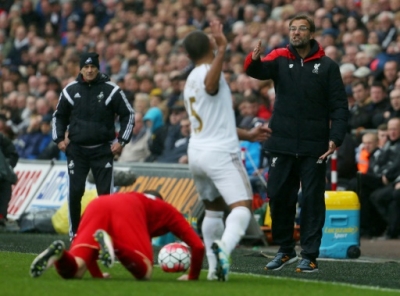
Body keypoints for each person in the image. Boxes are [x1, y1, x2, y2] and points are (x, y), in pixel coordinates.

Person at [244, 14, 349, 272]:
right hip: (282, 142)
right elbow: (256, 71)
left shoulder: (327, 66)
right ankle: (285, 250)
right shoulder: (280, 57)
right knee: (278, 195)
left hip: (315, 145)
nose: (296, 33)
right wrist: (253, 58)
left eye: (302, 29)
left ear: (311, 33)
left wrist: (335, 138)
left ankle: (310, 254)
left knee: (312, 200)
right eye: (293, 28)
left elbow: (339, 107)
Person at [182, 20, 271, 282]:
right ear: (210, 44)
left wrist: (248, 134)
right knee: (242, 207)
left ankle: (213, 270)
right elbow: (211, 87)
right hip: (220, 153)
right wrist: (222, 50)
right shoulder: (210, 72)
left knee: (213, 210)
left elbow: (215, 120)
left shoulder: (189, 79)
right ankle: (225, 247)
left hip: (197, 152)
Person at [30, 190, 205, 280]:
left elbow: (91, 251)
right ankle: (112, 244)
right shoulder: (168, 211)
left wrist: (98, 276)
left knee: (76, 270)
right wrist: (192, 277)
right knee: (145, 272)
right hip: (129, 209)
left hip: (98, 204)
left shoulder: (135, 197)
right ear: (161, 200)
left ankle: (60, 255)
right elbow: (198, 246)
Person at [52, 52, 135, 239]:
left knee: (106, 197)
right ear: (80, 68)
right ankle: (75, 235)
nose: (89, 70)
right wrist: (58, 139)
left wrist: (121, 141)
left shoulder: (111, 90)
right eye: (86, 67)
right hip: (77, 151)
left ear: (98, 68)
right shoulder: (70, 90)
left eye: (93, 67)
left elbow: (128, 114)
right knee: (75, 193)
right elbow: (59, 116)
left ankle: (108, 236)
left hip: (102, 150)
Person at [0, 132, 18, 226]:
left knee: (5, 187)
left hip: (3, 175)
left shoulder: (2, 138)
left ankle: (1, 216)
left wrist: (6, 166)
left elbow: (13, 154)